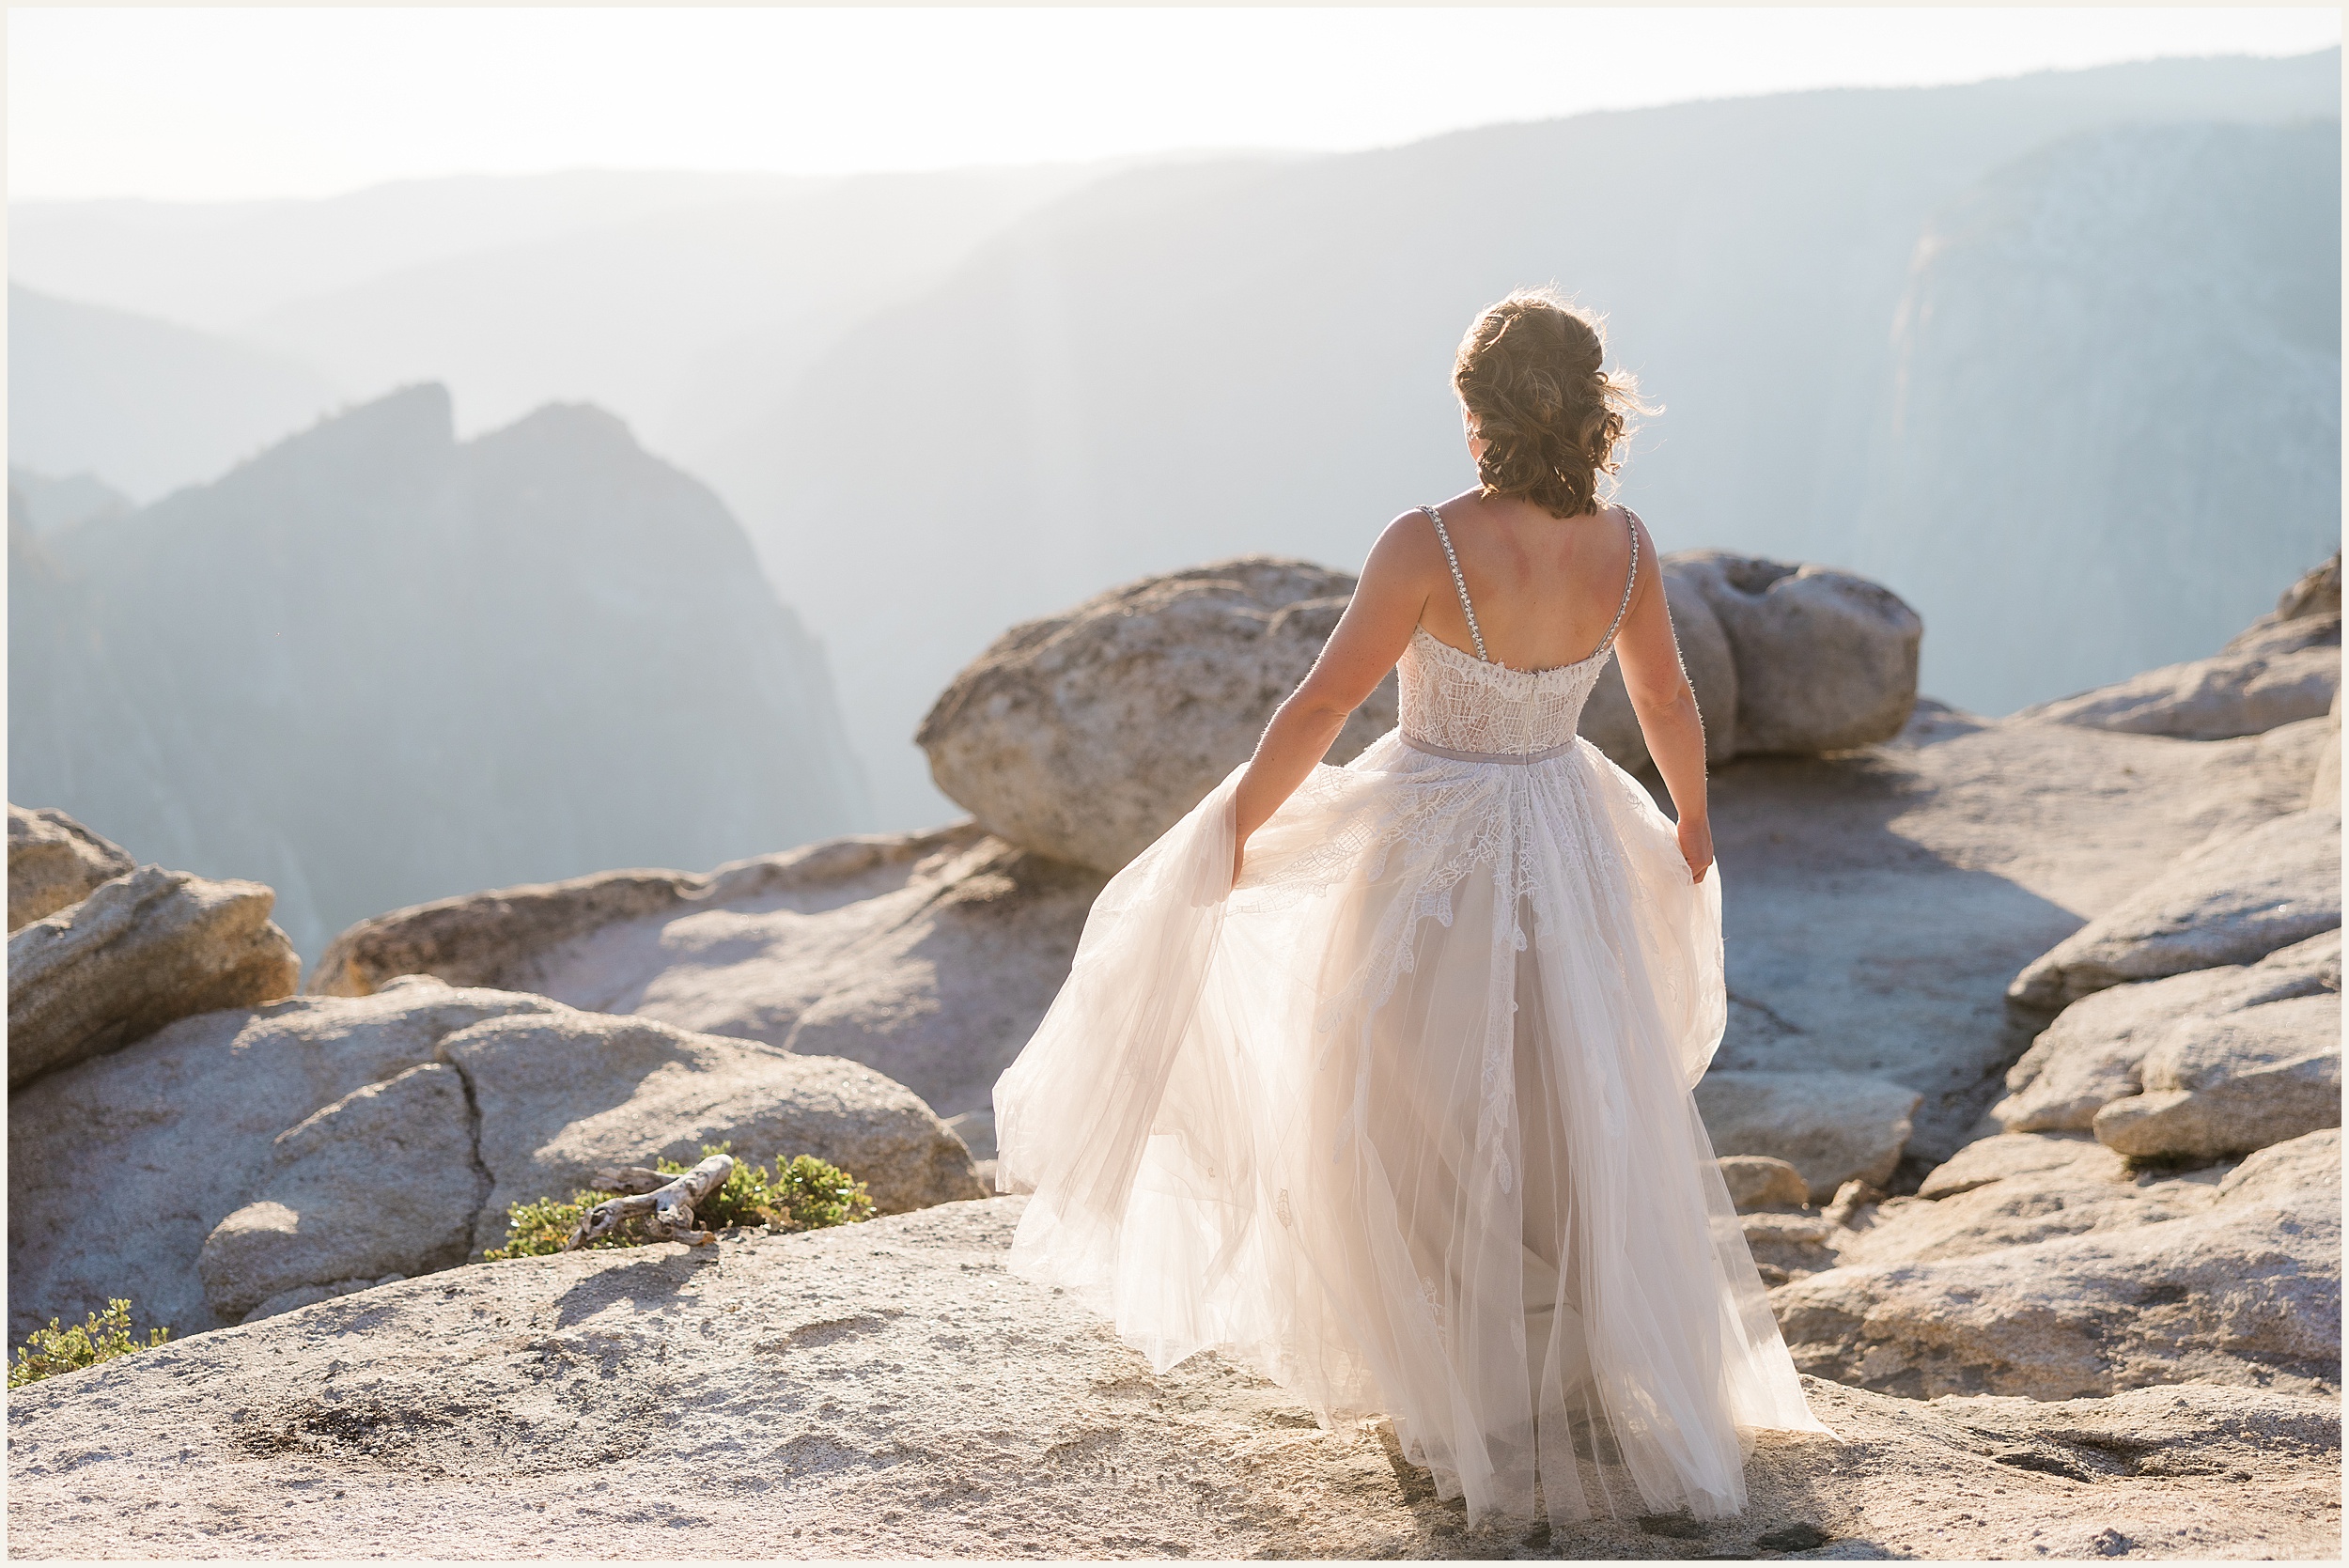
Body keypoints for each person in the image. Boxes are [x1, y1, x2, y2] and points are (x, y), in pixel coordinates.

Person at [993, 287, 1831, 1527]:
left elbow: (1327, 703)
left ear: (1476, 409)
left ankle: (1446, 1374)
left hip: (1430, 839)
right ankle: (1572, 1353)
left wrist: (1240, 823)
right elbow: (1665, 702)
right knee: (1570, 1089)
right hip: (1567, 830)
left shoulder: (1427, 545)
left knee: (1385, 1097)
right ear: (1596, 409)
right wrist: (1694, 820)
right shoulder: (1629, 548)